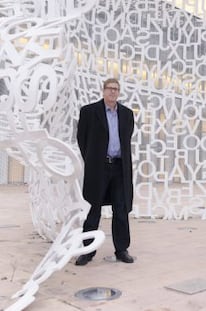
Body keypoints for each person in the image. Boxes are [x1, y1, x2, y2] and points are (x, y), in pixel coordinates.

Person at [75, 78, 135, 265]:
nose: (112, 92)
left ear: (119, 92)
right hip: (99, 168)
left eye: (116, 89)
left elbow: (127, 138)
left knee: (121, 209)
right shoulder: (89, 112)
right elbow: (82, 139)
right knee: (93, 209)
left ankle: (121, 249)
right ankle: (88, 251)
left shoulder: (127, 114)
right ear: (103, 90)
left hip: (119, 168)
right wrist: (93, 160)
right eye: (109, 89)